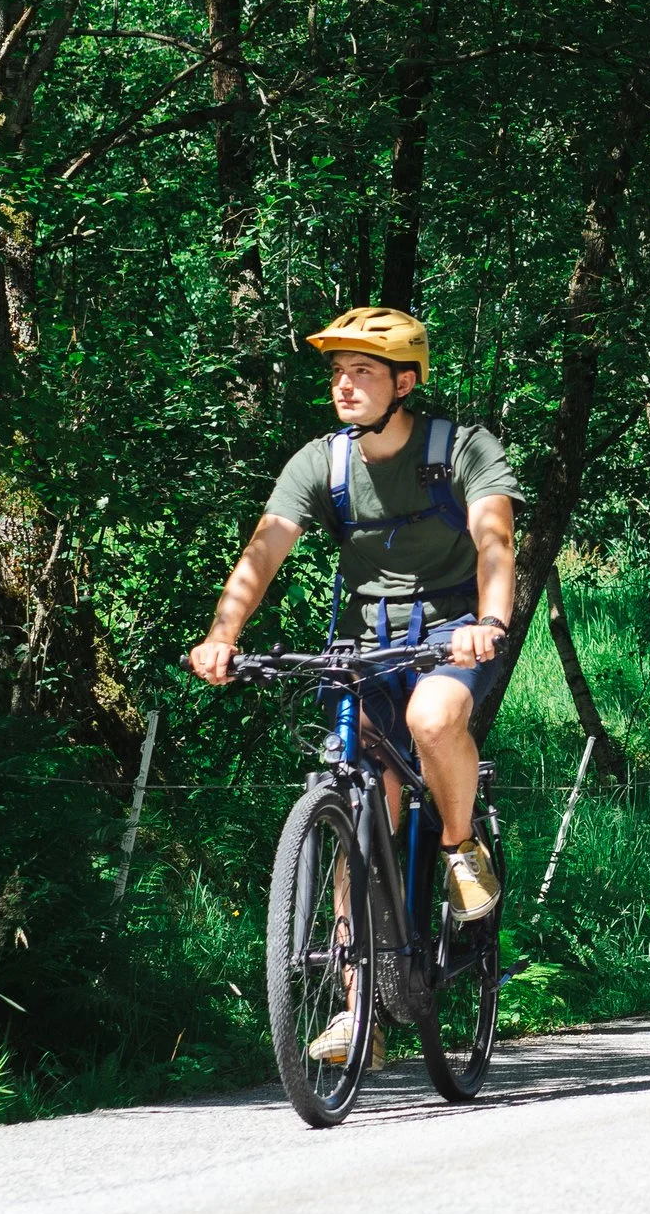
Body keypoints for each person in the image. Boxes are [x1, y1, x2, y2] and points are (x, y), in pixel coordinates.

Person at [188, 307, 521, 1066]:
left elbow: (495, 538)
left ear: (405, 382)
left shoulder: (460, 449)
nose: (344, 384)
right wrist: (223, 634)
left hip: (453, 633)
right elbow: (263, 549)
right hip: (365, 646)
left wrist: (490, 619)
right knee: (361, 798)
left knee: (435, 717)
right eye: (338, 371)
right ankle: (355, 1006)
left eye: (363, 371)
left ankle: (461, 846)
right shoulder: (322, 463)